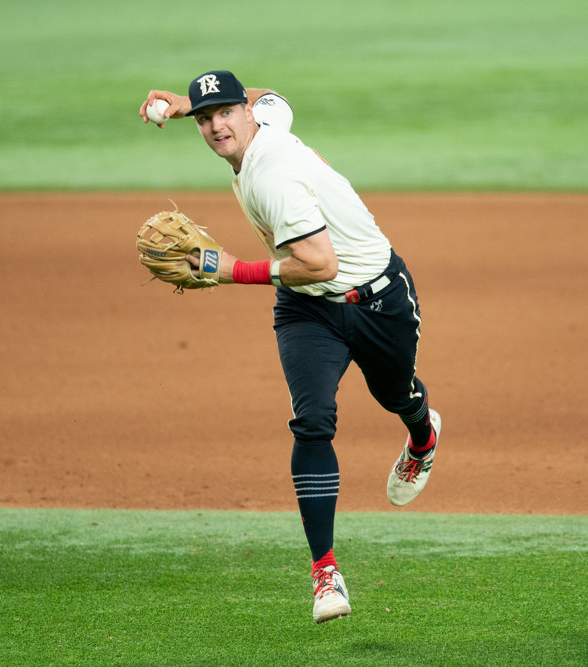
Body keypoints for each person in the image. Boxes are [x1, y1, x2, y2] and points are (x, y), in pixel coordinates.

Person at [141, 70, 442, 624]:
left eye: (224, 114)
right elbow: (268, 96)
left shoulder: (270, 176)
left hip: (377, 302)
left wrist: (229, 270)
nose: (216, 126)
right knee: (312, 421)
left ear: (244, 116)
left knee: (395, 393)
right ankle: (325, 572)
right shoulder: (266, 120)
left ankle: (422, 435)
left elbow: (320, 264)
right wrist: (191, 103)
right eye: (207, 119)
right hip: (309, 312)